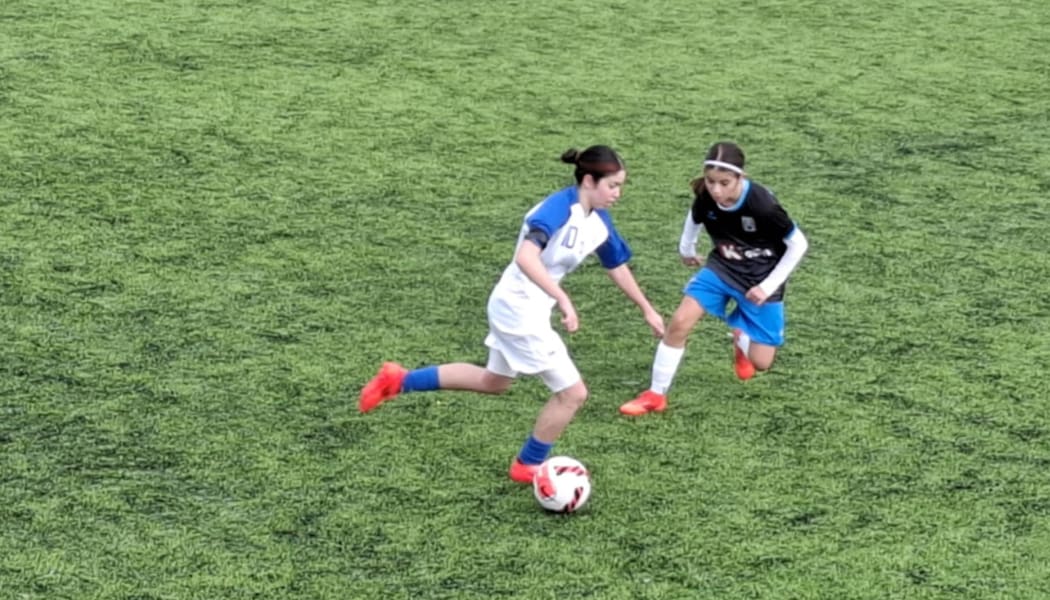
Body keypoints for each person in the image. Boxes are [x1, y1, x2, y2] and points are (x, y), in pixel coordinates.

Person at [359, 145, 666, 482]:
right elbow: (525, 257)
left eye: (620, 186)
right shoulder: (558, 209)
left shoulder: (598, 221)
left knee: (494, 381)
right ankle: (527, 464)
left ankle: (399, 380)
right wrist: (562, 297)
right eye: (613, 185)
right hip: (519, 309)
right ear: (589, 181)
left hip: (523, 306)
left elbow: (616, 266)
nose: (618, 193)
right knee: (573, 394)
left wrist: (647, 309)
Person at [619, 141, 809, 416]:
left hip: (761, 277)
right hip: (722, 268)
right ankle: (655, 394)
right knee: (680, 321)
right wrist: (687, 249)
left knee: (761, 363)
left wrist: (767, 287)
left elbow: (798, 244)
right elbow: (695, 217)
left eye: (724, 183)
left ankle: (741, 340)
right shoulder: (706, 195)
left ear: (740, 178)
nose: (716, 190)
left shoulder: (763, 205)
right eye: (710, 181)